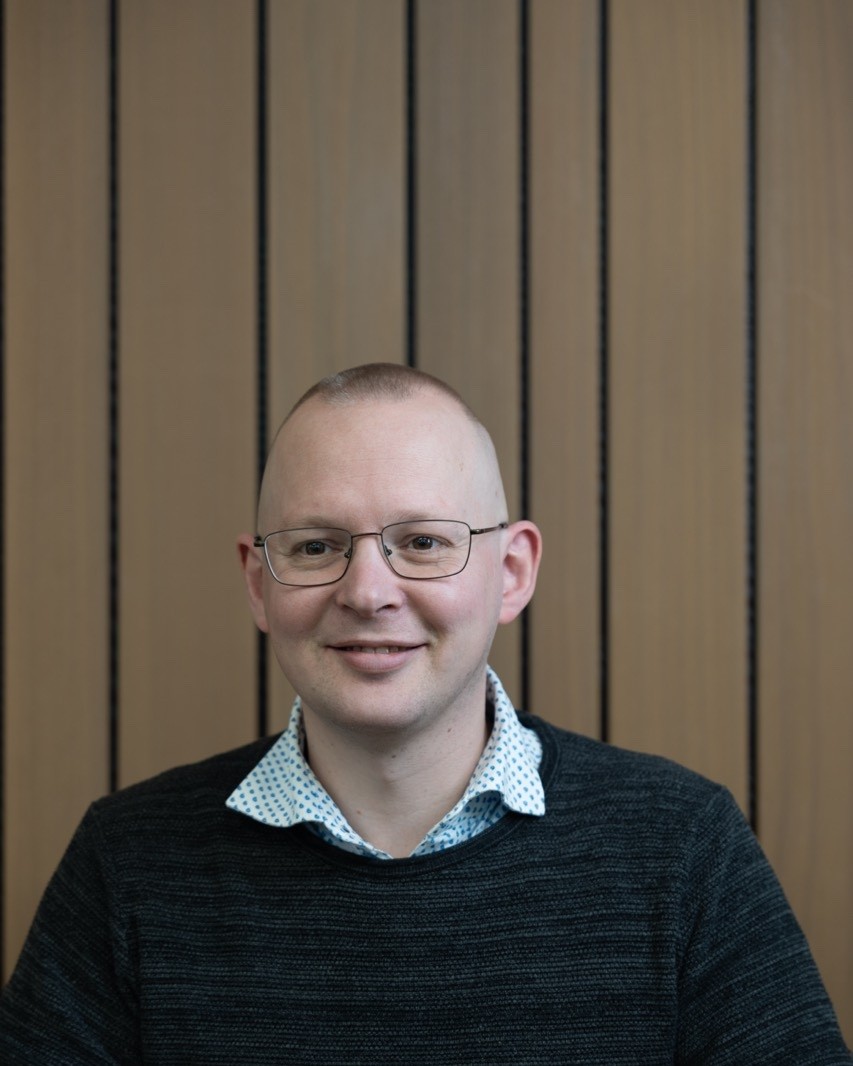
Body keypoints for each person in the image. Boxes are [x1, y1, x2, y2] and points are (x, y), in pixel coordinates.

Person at [0, 362, 849, 1064]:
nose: (368, 592)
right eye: (316, 546)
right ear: (259, 583)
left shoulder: (682, 849)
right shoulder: (126, 864)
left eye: (422, 543)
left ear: (511, 573)